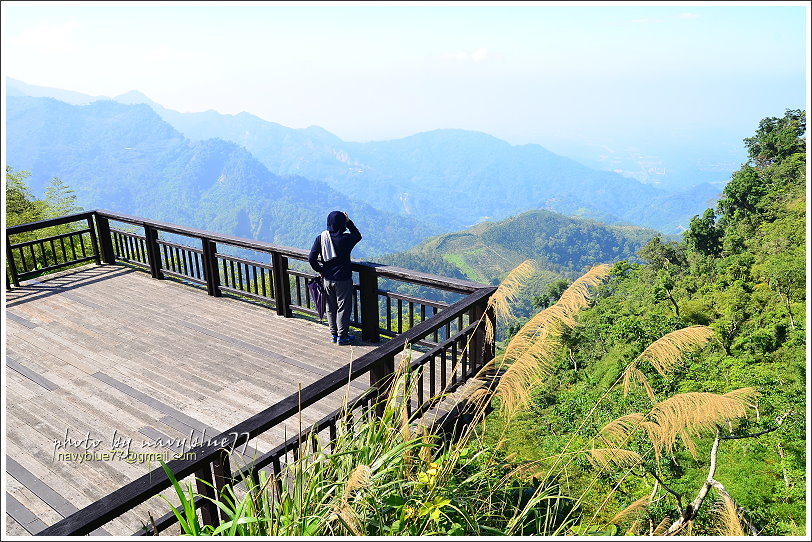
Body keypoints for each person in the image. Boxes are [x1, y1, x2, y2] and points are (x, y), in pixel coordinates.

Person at [308, 211, 362, 345]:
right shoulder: (346, 239)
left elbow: (311, 258)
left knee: (330, 307)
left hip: (327, 279)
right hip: (343, 279)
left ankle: (334, 334)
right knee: (343, 308)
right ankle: (342, 336)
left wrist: (321, 270)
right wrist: (349, 222)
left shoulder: (321, 238)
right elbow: (357, 235)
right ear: (342, 224)